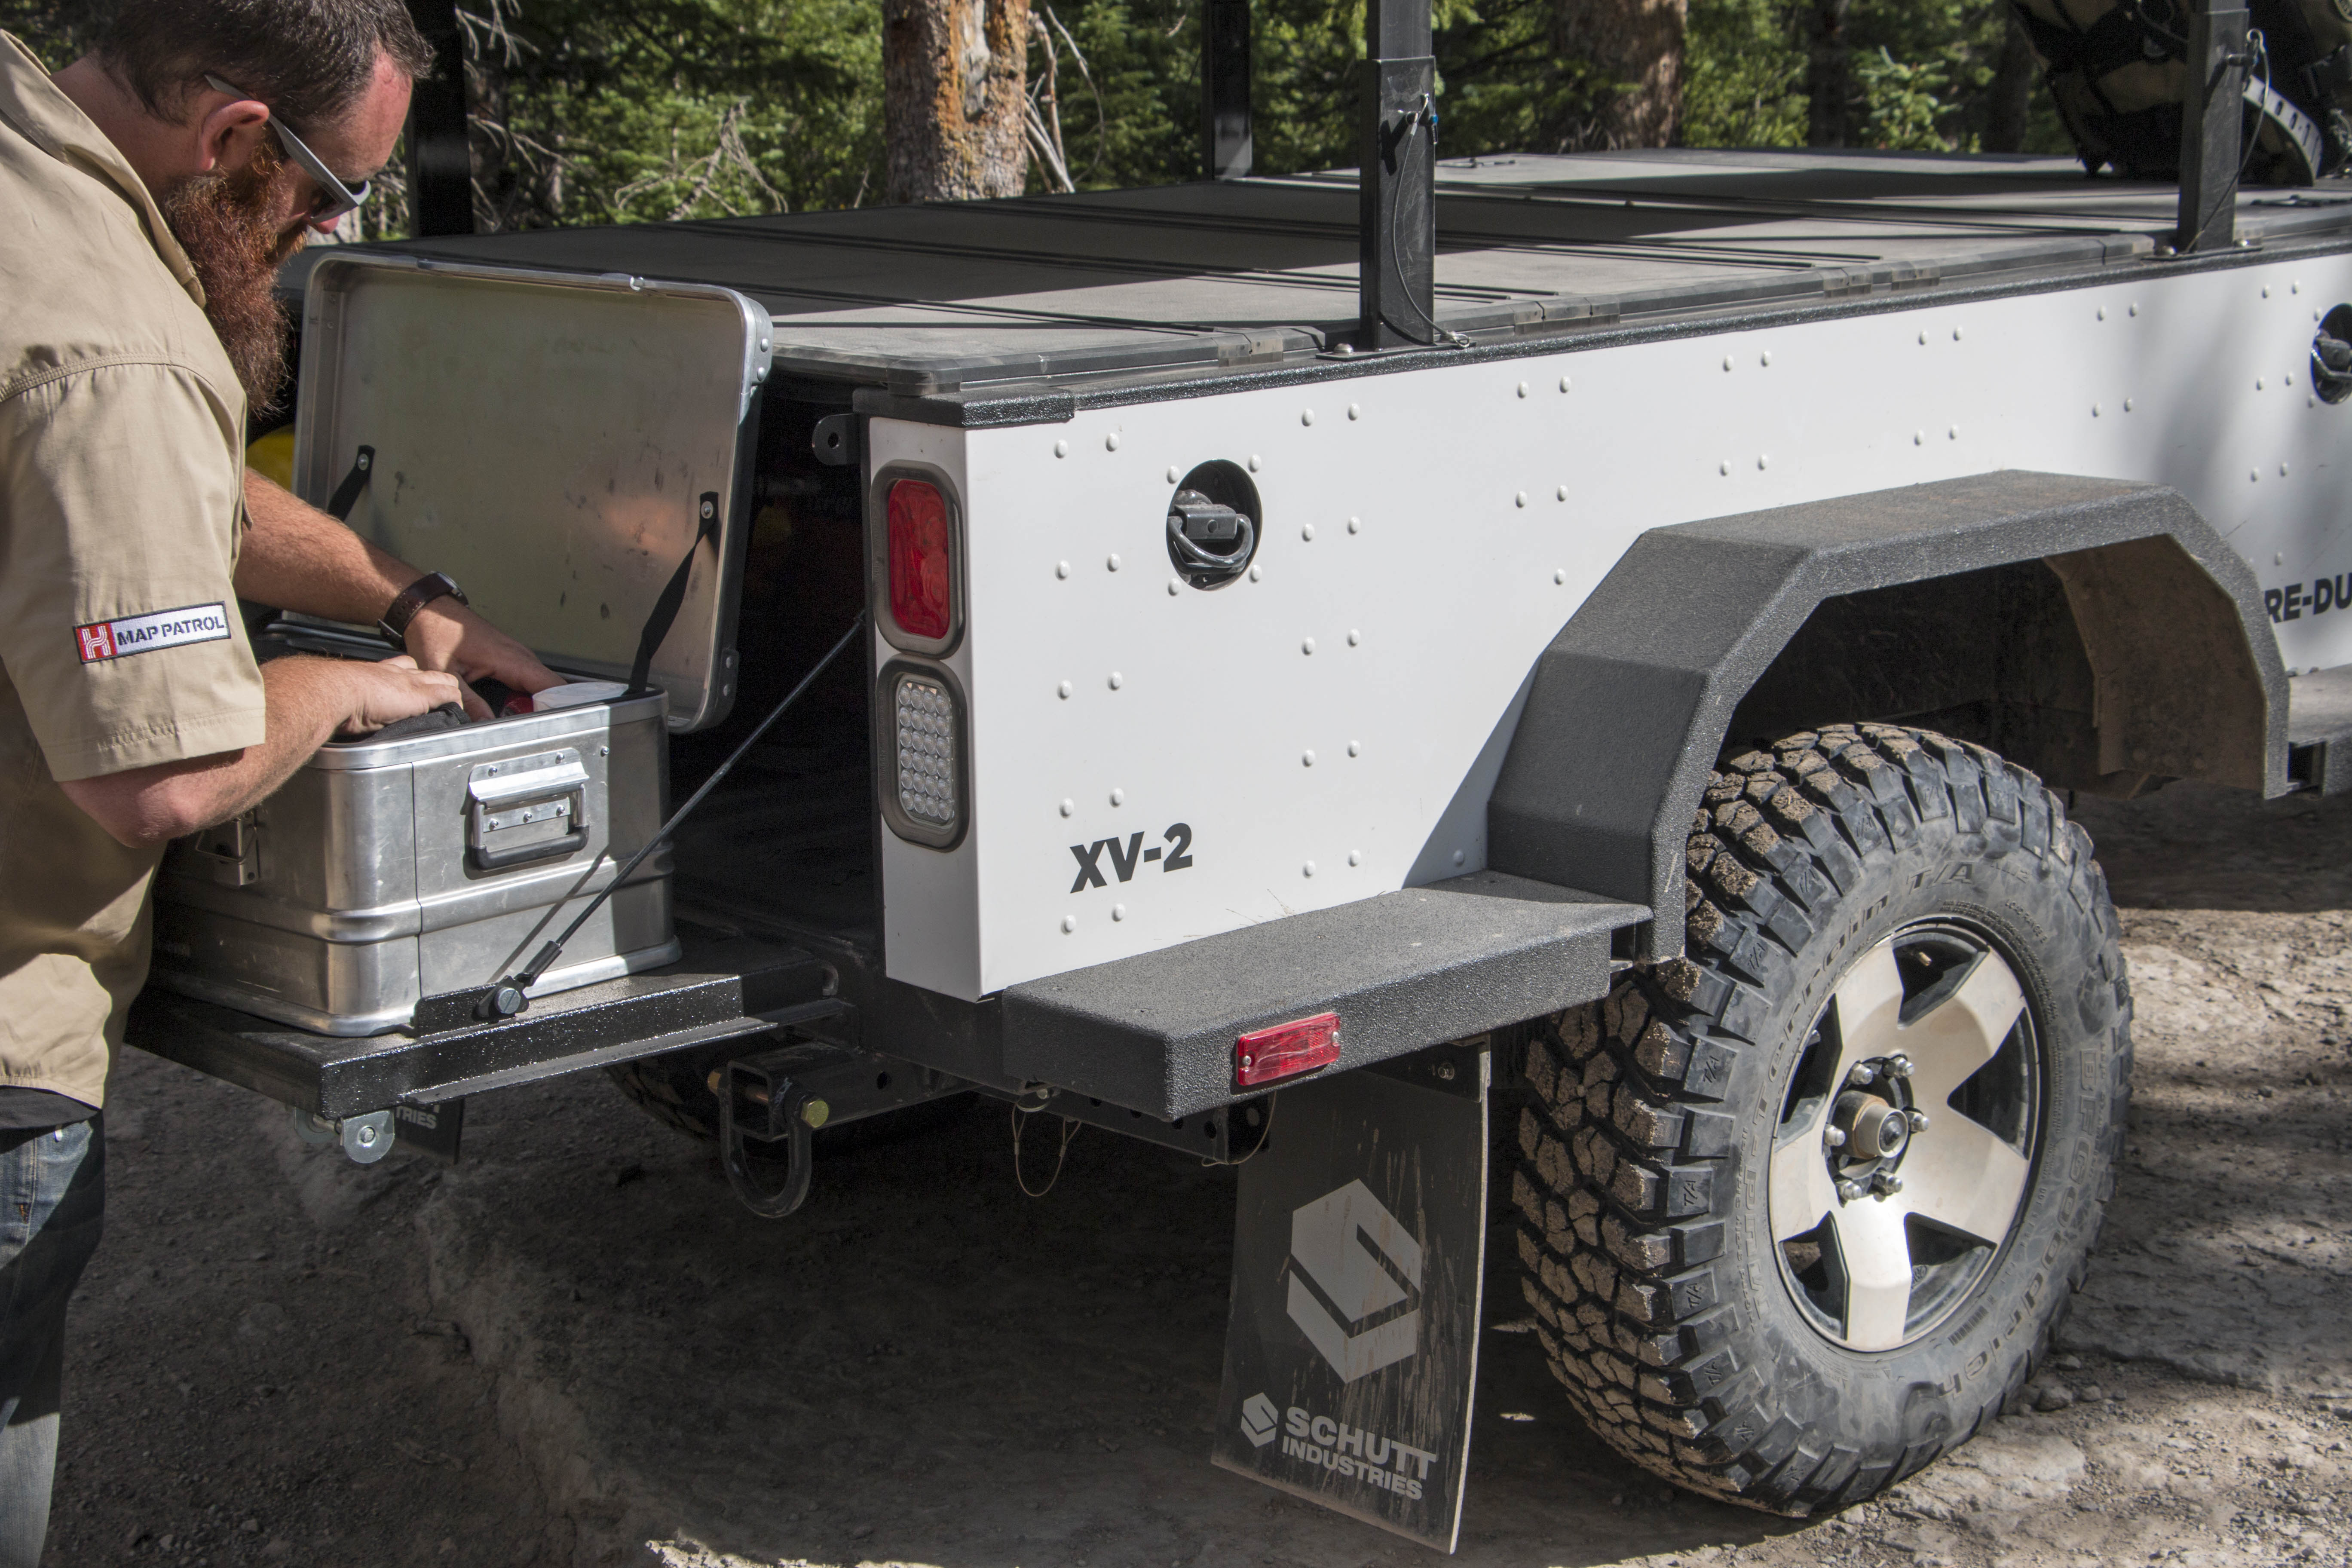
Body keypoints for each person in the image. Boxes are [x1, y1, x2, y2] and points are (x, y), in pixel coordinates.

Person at [0, 4, 559, 1558]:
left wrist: (400, 592)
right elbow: (162, 778)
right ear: (238, 136)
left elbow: (137, 494)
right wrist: (347, 686)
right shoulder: (110, 341)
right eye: (330, 191)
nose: (329, 229)